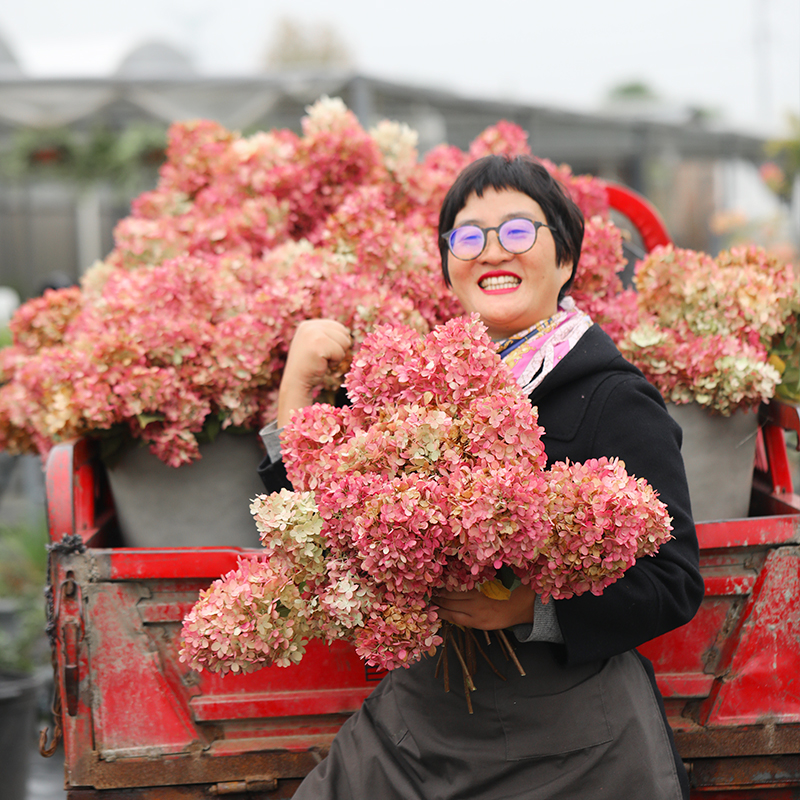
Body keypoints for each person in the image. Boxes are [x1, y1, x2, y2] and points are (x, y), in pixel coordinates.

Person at [257, 154, 704, 800]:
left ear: (567, 259)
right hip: (422, 730)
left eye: (519, 232)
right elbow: (314, 537)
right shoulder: (418, 389)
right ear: (448, 266)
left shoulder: (612, 396)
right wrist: (296, 388)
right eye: (468, 237)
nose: (492, 251)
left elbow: (674, 579)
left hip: (574, 743)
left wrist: (534, 607)